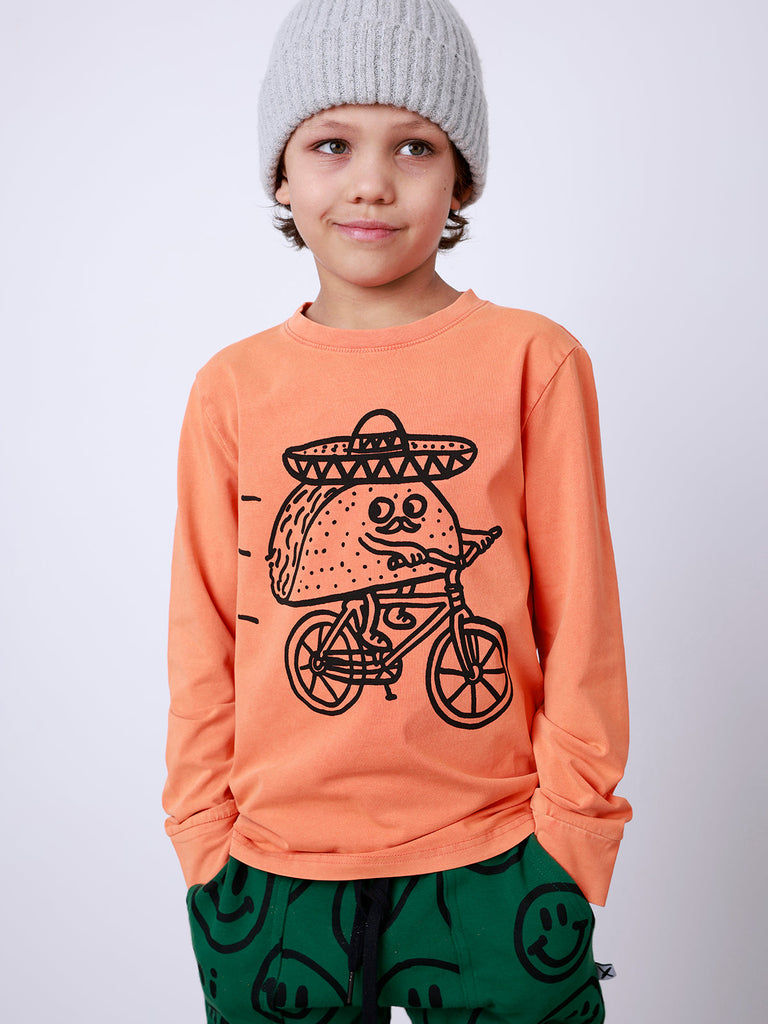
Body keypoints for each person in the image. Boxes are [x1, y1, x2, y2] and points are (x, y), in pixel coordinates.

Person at [163, 1, 631, 1022]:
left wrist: (570, 839)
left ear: (460, 176)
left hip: (499, 859)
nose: (372, 181)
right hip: (270, 871)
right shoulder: (232, 389)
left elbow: (584, 621)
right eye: (331, 144)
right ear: (282, 174)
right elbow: (204, 630)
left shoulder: (533, 361)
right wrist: (204, 839)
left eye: (415, 146)